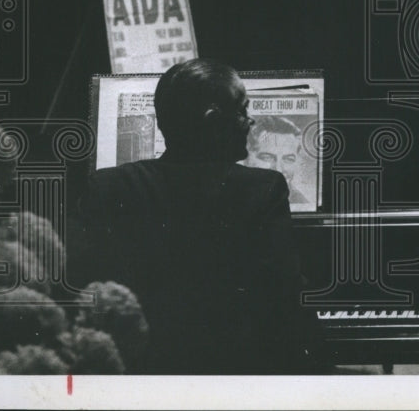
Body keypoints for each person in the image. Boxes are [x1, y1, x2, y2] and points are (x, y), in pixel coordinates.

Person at [69, 59, 316, 374]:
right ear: (213, 120)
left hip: (138, 372)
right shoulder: (262, 188)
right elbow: (285, 299)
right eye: (242, 110)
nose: (249, 121)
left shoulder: (108, 185)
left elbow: (82, 288)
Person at [243, 117, 313, 207]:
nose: (279, 169)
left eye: (288, 159)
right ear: (246, 157)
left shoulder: (302, 204)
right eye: (267, 158)